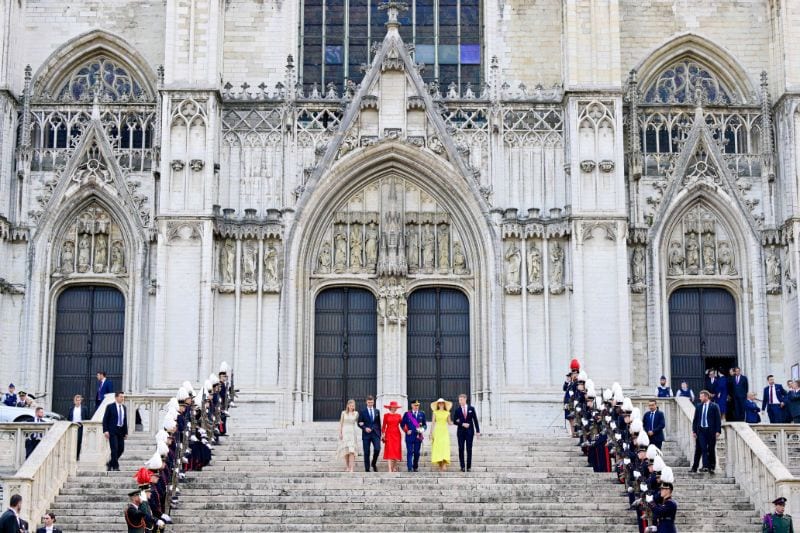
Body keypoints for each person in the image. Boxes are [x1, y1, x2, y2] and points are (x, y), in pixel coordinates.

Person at [691, 390, 721, 474]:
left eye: (701, 396)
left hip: (711, 431)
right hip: (701, 431)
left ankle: (711, 466)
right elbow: (695, 420)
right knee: (703, 448)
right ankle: (704, 466)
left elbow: (718, 419)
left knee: (711, 449)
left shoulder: (714, 406)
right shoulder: (698, 406)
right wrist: (694, 431)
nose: (699, 398)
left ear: (706, 397)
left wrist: (718, 431)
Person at [453, 393, 480, 472]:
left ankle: (468, 467)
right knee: (461, 448)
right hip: (460, 432)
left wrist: (478, 431)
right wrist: (462, 424)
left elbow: (475, 420)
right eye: (459, 400)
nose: (460, 401)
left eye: (461, 400)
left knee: (469, 449)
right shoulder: (457, 410)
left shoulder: (471, 408)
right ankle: (462, 466)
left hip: (470, 432)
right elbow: (455, 421)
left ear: (465, 399)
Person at [103, 391, 128, 471]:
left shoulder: (124, 407)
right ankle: (116, 466)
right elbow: (105, 419)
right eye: (121, 397)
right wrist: (105, 430)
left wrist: (126, 432)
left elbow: (125, 420)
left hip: (121, 431)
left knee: (121, 449)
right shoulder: (110, 407)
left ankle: (110, 463)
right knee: (114, 449)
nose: (122, 398)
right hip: (112, 431)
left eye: (123, 397)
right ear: (116, 397)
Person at [401, 400, 427, 472]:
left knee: (416, 453)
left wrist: (422, 429)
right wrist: (406, 431)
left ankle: (415, 466)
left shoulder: (422, 414)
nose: (416, 406)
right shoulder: (407, 414)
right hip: (409, 436)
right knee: (409, 451)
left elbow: (425, 425)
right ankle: (409, 468)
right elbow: (402, 424)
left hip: (418, 436)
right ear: (412, 405)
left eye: (417, 405)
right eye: (415, 405)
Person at [357, 395, 381, 472]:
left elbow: (378, 423)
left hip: (375, 434)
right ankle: (367, 469)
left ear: (373, 402)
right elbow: (359, 423)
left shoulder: (377, 411)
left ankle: (373, 463)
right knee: (366, 451)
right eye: (369, 402)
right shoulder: (362, 411)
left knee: (377, 449)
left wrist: (380, 434)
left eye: (371, 402)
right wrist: (364, 428)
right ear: (366, 402)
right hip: (366, 435)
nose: (370, 404)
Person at [336, 399, 359, 472]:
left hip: (352, 433)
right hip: (345, 432)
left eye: (353, 406)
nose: (352, 407)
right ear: (348, 406)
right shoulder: (343, 413)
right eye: (351, 405)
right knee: (346, 451)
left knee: (351, 451)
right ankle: (347, 466)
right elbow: (341, 424)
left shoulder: (356, 413)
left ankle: (351, 468)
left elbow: (360, 422)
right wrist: (340, 433)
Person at [430, 398, 452, 471]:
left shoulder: (447, 413)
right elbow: (433, 423)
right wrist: (431, 433)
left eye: (442, 403)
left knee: (444, 446)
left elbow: (449, 423)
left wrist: (459, 422)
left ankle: (444, 463)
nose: (441, 404)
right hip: (437, 431)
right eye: (439, 403)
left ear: (444, 404)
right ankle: (440, 463)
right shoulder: (435, 412)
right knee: (438, 447)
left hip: (444, 431)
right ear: (438, 404)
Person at [380, 400, 403, 472]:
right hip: (389, 434)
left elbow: (403, 425)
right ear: (390, 407)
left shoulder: (399, 415)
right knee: (390, 451)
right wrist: (383, 434)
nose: (395, 408)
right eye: (393, 407)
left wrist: (407, 430)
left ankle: (394, 467)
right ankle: (390, 469)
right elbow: (383, 426)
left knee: (396, 451)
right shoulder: (386, 415)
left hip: (397, 434)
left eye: (396, 407)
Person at [67, 394, 89, 460]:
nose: (78, 402)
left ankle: (77, 456)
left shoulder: (84, 408)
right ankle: (71, 455)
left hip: (80, 426)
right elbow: (69, 418)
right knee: (72, 441)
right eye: (77, 400)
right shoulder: (71, 408)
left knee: (79, 441)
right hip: (73, 426)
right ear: (74, 401)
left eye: (79, 400)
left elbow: (87, 418)